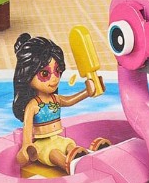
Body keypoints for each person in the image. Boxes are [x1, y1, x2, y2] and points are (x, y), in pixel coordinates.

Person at [11, 33, 107, 174]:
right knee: (54, 153)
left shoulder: (55, 98)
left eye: (57, 71)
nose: (55, 78)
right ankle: (70, 166)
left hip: (58, 139)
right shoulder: (33, 105)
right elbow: (27, 128)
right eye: (45, 74)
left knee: (69, 146)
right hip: (42, 145)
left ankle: (87, 156)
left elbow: (70, 100)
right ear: (27, 75)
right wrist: (27, 146)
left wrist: (88, 91)